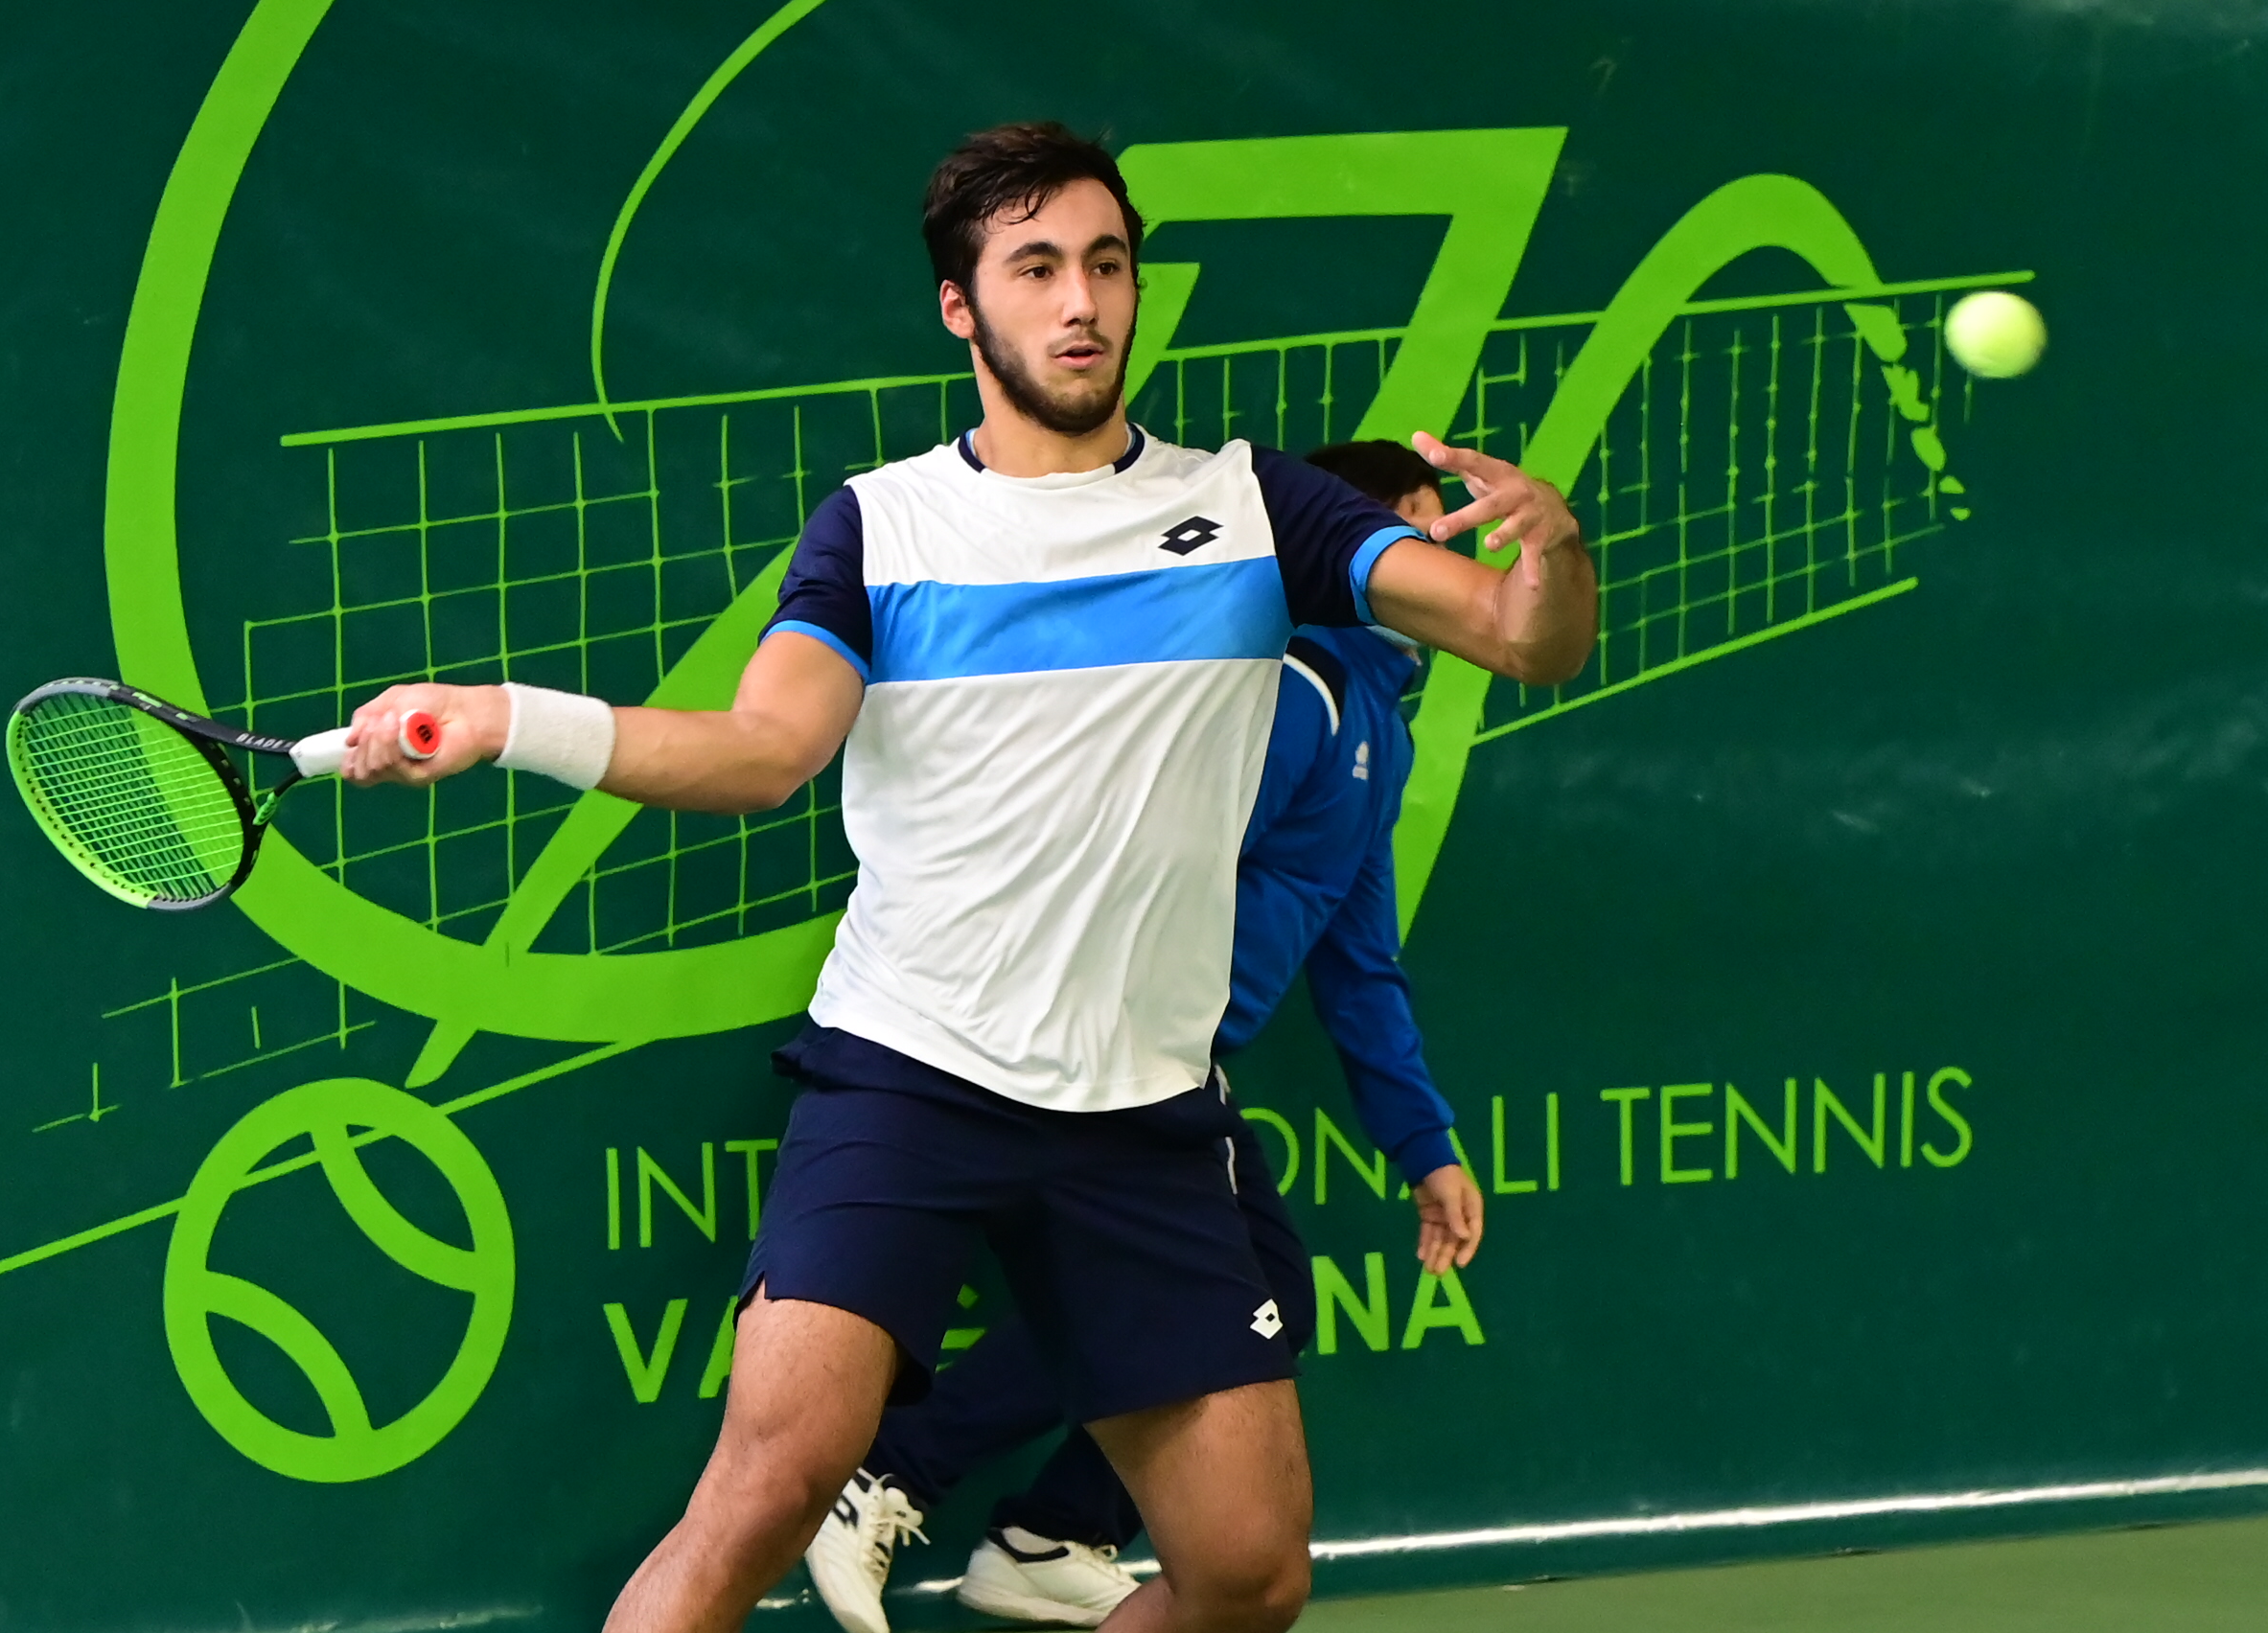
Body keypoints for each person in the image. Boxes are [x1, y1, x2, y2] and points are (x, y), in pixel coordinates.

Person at [341, 124, 1594, 1633]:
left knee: (1249, 1573)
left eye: (1109, 265)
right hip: (911, 1077)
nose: (1083, 303)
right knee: (769, 1483)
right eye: (1038, 267)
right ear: (963, 307)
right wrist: (504, 721)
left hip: (1142, 1116)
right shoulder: (884, 528)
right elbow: (762, 748)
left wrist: (1558, 549)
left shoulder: (1260, 510)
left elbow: (1528, 641)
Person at [800, 439, 1484, 1633]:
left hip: (1173, 1065)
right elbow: (1155, 845)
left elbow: (1357, 957)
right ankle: (893, 1474)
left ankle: (1048, 1531)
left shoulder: (1378, 726)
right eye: (1420, 533)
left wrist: (1421, 1141)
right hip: (1096, 1054)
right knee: (1202, 1311)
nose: (1444, 559)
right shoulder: (1295, 698)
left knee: (1264, 1296)